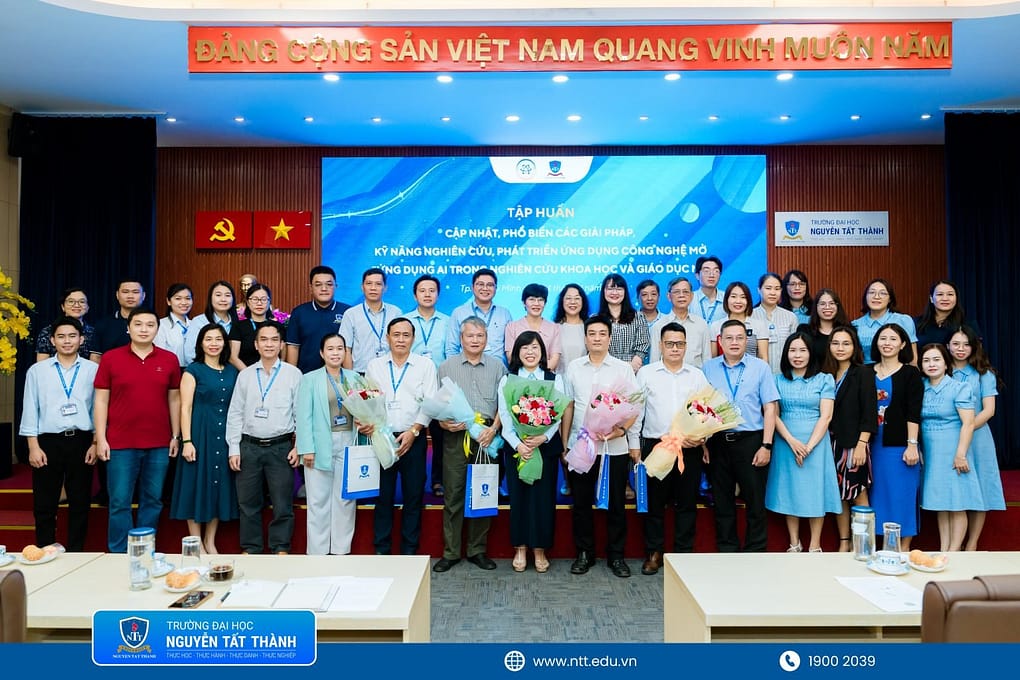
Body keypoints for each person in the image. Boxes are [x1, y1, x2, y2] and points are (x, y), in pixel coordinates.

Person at [93, 308, 181, 553]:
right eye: (138, 324)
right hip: (120, 443)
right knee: (120, 501)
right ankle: (119, 552)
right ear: (128, 328)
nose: (144, 329)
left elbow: (174, 399)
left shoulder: (169, 359)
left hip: (159, 443)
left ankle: (144, 552)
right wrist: (100, 438)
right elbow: (100, 400)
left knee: (152, 501)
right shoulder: (111, 358)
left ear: (157, 329)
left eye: (150, 325)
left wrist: (175, 436)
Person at [561, 315, 641, 578]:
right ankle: (585, 553)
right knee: (581, 503)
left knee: (616, 503)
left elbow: (635, 405)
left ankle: (616, 556)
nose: (597, 338)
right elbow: (568, 406)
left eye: (602, 334)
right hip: (582, 445)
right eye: (592, 334)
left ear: (609, 338)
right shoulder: (574, 367)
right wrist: (565, 444)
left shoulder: (622, 368)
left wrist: (622, 431)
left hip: (613, 447)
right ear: (585, 338)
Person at [635, 322, 709, 574]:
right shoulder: (647, 373)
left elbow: (706, 412)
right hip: (657, 446)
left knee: (687, 503)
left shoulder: (696, 375)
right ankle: (654, 553)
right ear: (661, 345)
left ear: (686, 346)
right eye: (670, 344)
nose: (675, 348)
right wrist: (635, 446)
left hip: (689, 448)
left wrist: (700, 438)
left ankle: (683, 554)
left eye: (680, 344)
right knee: (655, 504)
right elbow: (637, 412)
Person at [20, 317, 98, 551]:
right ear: (52, 341)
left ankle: (75, 551)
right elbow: (30, 408)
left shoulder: (93, 370)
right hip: (47, 442)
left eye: (72, 336)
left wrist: (95, 442)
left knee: (80, 501)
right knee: (44, 501)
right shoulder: (37, 371)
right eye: (61, 337)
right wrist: (33, 446)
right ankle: (45, 548)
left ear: (81, 339)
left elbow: (98, 408)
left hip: (82, 440)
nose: (67, 341)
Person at [433, 318, 505, 572]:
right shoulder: (446, 366)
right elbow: (437, 404)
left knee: (484, 492)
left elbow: (504, 405)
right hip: (456, 436)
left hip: (487, 436)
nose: (475, 340)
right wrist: (443, 424)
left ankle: (477, 550)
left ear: (487, 338)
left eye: (480, 335)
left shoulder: (498, 367)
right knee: (453, 493)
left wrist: (494, 429)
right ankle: (451, 552)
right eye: (470, 336)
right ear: (461, 338)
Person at [703, 319, 780, 552]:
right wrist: (703, 443)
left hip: (751, 441)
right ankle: (727, 549)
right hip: (717, 441)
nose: (734, 342)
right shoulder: (708, 368)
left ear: (747, 341)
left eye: (739, 338)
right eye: (729, 338)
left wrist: (766, 445)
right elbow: (701, 408)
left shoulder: (760, 368)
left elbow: (770, 408)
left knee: (755, 499)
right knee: (722, 499)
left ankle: (755, 550)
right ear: (720, 341)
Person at [226, 321, 302, 555]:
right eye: (264, 340)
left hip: (281, 447)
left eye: (274, 340)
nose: (269, 344)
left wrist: (298, 446)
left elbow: (300, 414)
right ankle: (251, 547)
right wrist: (234, 448)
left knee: (282, 502)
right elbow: (235, 413)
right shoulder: (245, 375)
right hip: (249, 446)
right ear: (256, 345)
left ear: (281, 345)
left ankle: (280, 547)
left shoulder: (293, 374)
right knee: (247, 502)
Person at [365, 318, 437, 555]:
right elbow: (369, 400)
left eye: (406, 335)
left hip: (413, 438)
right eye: (396, 335)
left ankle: (409, 550)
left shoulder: (425, 365)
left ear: (413, 339)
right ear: (387, 338)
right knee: (383, 496)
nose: (401, 340)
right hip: (382, 438)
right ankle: (382, 548)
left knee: (413, 496)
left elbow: (430, 402)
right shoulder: (375, 365)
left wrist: (414, 431)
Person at [765, 332, 840, 553]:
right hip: (786, 441)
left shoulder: (824, 379)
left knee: (815, 490)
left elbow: (826, 416)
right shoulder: (777, 380)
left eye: (802, 350)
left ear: (811, 353)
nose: (797, 355)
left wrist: (808, 447)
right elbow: (773, 414)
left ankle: (815, 545)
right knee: (791, 490)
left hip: (816, 443)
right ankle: (794, 543)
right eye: (792, 350)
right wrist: (791, 441)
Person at [170, 323, 238, 554]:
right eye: (208, 339)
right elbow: (185, 407)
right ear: (200, 343)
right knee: (195, 484)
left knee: (218, 485)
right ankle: (196, 542)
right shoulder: (193, 370)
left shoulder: (232, 371)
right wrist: (187, 441)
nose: (213, 344)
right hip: (199, 434)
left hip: (224, 435)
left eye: (218, 339)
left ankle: (210, 541)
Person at [497, 331, 560, 573]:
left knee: (543, 500)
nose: (530, 352)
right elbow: (505, 417)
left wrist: (543, 437)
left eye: (535, 347)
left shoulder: (554, 378)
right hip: (517, 449)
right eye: (524, 347)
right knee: (519, 498)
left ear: (542, 351)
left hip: (545, 448)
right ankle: (520, 548)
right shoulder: (507, 380)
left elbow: (557, 416)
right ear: (517, 352)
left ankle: (540, 549)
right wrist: (518, 444)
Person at [295, 333, 358, 555]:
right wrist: (306, 449)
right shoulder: (310, 379)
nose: (335, 353)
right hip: (320, 443)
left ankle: (341, 550)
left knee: (345, 499)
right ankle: (318, 552)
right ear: (322, 353)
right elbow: (303, 417)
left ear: (345, 352)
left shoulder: (355, 378)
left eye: (340, 348)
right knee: (318, 500)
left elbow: (364, 411)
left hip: (348, 441)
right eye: (330, 349)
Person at [947, 327, 1006, 550]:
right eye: (956, 344)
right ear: (947, 346)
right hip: (947, 436)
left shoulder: (983, 373)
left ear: (974, 347)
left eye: (966, 344)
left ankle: (972, 543)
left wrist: (968, 429)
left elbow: (989, 410)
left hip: (978, 437)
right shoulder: (942, 370)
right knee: (956, 488)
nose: (961, 349)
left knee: (980, 488)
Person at [919, 343, 981, 552]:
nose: (932, 364)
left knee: (957, 502)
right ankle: (945, 549)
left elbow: (969, 423)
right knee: (941, 503)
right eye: (926, 360)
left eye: (937, 359)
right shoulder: (921, 387)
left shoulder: (959, 387)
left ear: (946, 363)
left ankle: (954, 552)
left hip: (954, 449)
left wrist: (961, 454)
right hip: (931, 452)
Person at [868, 323, 924, 550]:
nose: (887, 343)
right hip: (871, 444)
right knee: (878, 495)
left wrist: (912, 444)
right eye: (883, 338)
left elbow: (913, 412)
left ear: (902, 344)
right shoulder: (865, 371)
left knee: (902, 494)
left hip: (899, 444)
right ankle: (882, 546)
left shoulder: (910, 373)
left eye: (893, 339)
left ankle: (904, 547)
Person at [823, 325, 877, 552]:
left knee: (858, 492)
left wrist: (862, 444)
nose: (840, 348)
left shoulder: (863, 372)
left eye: (846, 343)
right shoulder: (825, 373)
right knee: (839, 494)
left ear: (855, 347)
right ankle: (844, 543)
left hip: (854, 444)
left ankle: (864, 546)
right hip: (829, 443)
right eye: (835, 343)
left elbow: (869, 412)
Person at [402, 274, 450, 497]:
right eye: (422, 290)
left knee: (440, 437)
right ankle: (414, 480)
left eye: (432, 290)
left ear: (438, 295)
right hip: (411, 386)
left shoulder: (448, 322)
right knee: (415, 432)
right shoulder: (405, 321)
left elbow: (451, 353)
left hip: (439, 387)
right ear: (415, 295)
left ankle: (438, 480)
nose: (427, 294)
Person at [553, 283, 589, 496]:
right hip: (560, 386)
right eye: (568, 298)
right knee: (563, 435)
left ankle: (585, 478)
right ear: (562, 301)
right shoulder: (554, 328)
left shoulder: (589, 326)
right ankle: (567, 479)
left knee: (583, 431)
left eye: (577, 298)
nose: (573, 302)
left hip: (585, 387)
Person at [286, 265, 351, 374]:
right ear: (310, 288)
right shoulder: (299, 312)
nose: (324, 289)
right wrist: (292, 375)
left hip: (340, 377)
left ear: (336, 286)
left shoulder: (347, 312)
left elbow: (349, 348)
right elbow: (293, 347)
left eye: (329, 284)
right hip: (306, 375)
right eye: (318, 285)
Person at [340, 267, 403, 374]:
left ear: (385, 288)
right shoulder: (351, 314)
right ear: (362, 287)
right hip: (360, 374)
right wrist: (350, 377)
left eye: (378, 284)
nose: (373, 288)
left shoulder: (395, 313)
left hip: (390, 373)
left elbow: (401, 345)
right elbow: (346, 349)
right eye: (369, 283)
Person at [445, 268, 512, 362]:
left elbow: (510, 348)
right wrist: (455, 368)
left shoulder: (504, 314)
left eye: (490, 285)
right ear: (472, 287)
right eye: (480, 284)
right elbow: (451, 348)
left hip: (499, 369)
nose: (485, 288)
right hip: (467, 369)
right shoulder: (459, 313)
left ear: (496, 288)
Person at [649, 277, 712, 368]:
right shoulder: (659, 326)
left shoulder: (701, 324)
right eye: (676, 292)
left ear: (692, 296)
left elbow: (707, 360)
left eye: (685, 292)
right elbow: (654, 361)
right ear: (669, 296)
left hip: (695, 376)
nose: (681, 295)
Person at [853, 278, 917, 365]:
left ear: (890, 298)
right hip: (865, 371)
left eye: (882, 293)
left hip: (898, 371)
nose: (876, 297)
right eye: (872, 292)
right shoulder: (855, 325)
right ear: (865, 297)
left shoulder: (903, 320)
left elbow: (912, 358)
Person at [598, 273, 650, 373]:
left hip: (633, 369)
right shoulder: (596, 319)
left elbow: (643, 344)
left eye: (619, 289)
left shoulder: (638, 316)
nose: (614, 292)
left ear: (625, 292)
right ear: (604, 291)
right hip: (605, 368)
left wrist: (633, 365)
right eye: (610, 289)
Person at [504, 283, 562, 372]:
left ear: (545, 303)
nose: (536, 303)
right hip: (520, 376)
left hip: (546, 376)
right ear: (524, 303)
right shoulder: (512, 327)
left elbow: (554, 359)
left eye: (540, 300)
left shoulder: (554, 328)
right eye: (532, 299)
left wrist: (538, 374)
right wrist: (528, 374)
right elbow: (511, 357)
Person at [752, 272, 799, 375]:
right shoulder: (749, 316)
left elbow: (795, 348)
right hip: (757, 375)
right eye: (768, 288)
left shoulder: (790, 317)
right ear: (759, 290)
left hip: (785, 375)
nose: (773, 293)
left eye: (777, 289)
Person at [709, 281, 769, 362]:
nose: (738, 301)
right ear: (726, 299)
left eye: (743, 297)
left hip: (752, 369)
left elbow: (763, 357)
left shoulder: (759, 326)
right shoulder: (716, 326)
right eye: (733, 296)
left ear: (748, 301)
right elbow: (713, 358)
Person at [90, 278, 145, 362]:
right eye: (125, 292)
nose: (130, 296)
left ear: (143, 295)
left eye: (135, 292)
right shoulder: (103, 324)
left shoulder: (151, 324)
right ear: (117, 295)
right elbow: (96, 356)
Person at [915, 280, 981, 349]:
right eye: (940, 294)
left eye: (950, 294)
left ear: (956, 298)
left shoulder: (968, 324)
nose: (945, 298)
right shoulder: (916, 324)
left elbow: (977, 352)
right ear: (931, 299)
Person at [34, 287, 95, 362]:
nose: (76, 305)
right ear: (63, 307)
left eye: (82, 302)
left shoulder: (94, 333)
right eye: (71, 301)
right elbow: (41, 364)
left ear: (88, 307)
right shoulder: (47, 331)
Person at [229, 283, 275, 370]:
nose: (259, 303)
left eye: (263, 299)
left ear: (269, 302)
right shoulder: (238, 326)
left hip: (273, 374)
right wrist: (249, 374)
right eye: (255, 299)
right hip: (245, 373)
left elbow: (283, 357)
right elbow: (233, 357)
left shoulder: (277, 327)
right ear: (248, 302)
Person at [800, 288, 850, 363]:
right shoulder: (805, 331)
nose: (827, 307)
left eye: (831, 303)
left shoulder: (848, 330)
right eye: (822, 304)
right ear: (816, 307)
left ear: (837, 306)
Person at [154, 283, 196, 369]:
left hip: (194, 371)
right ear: (168, 301)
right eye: (178, 298)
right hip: (170, 370)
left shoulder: (195, 324)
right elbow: (159, 355)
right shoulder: (161, 325)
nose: (184, 302)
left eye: (188, 298)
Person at [691, 255, 724, 324]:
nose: (711, 275)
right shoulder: (689, 299)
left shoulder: (727, 298)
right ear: (697, 275)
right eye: (706, 271)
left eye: (716, 271)